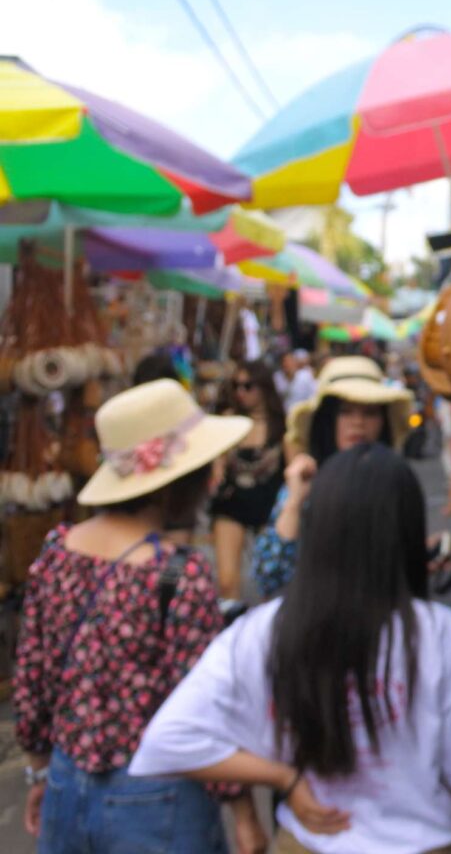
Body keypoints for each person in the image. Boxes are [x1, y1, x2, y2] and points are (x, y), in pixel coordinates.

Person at [130, 444, 451, 853]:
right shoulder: (440, 635)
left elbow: (166, 741)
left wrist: (283, 778)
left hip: (311, 842)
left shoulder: (266, 630)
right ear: (407, 529)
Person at [13, 379, 266, 854]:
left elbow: (32, 677)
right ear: (179, 480)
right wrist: (244, 811)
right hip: (159, 795)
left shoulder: (57, 549)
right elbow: (205, 708)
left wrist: (41, 772)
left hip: (67, 783)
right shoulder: (178, 572)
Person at [252, 356, 413, 597]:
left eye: (369, 412)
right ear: (327, 421)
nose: (358, 422)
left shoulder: (395, 482)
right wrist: (295, 500)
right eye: (345, 412)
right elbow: (270, 575)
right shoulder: (308, 482)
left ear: (383, 422)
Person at [210, 360, 286, 600]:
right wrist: (216, 470)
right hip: (232, 503)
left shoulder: (281, 425)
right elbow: (216, 459)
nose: (240, 392)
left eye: (247, 386)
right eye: (236, 386)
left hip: (269, 504)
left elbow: (294, 467)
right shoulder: (228, 421)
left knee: (271, 581)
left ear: (264, 387)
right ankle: (231, 628)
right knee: (227, 581)